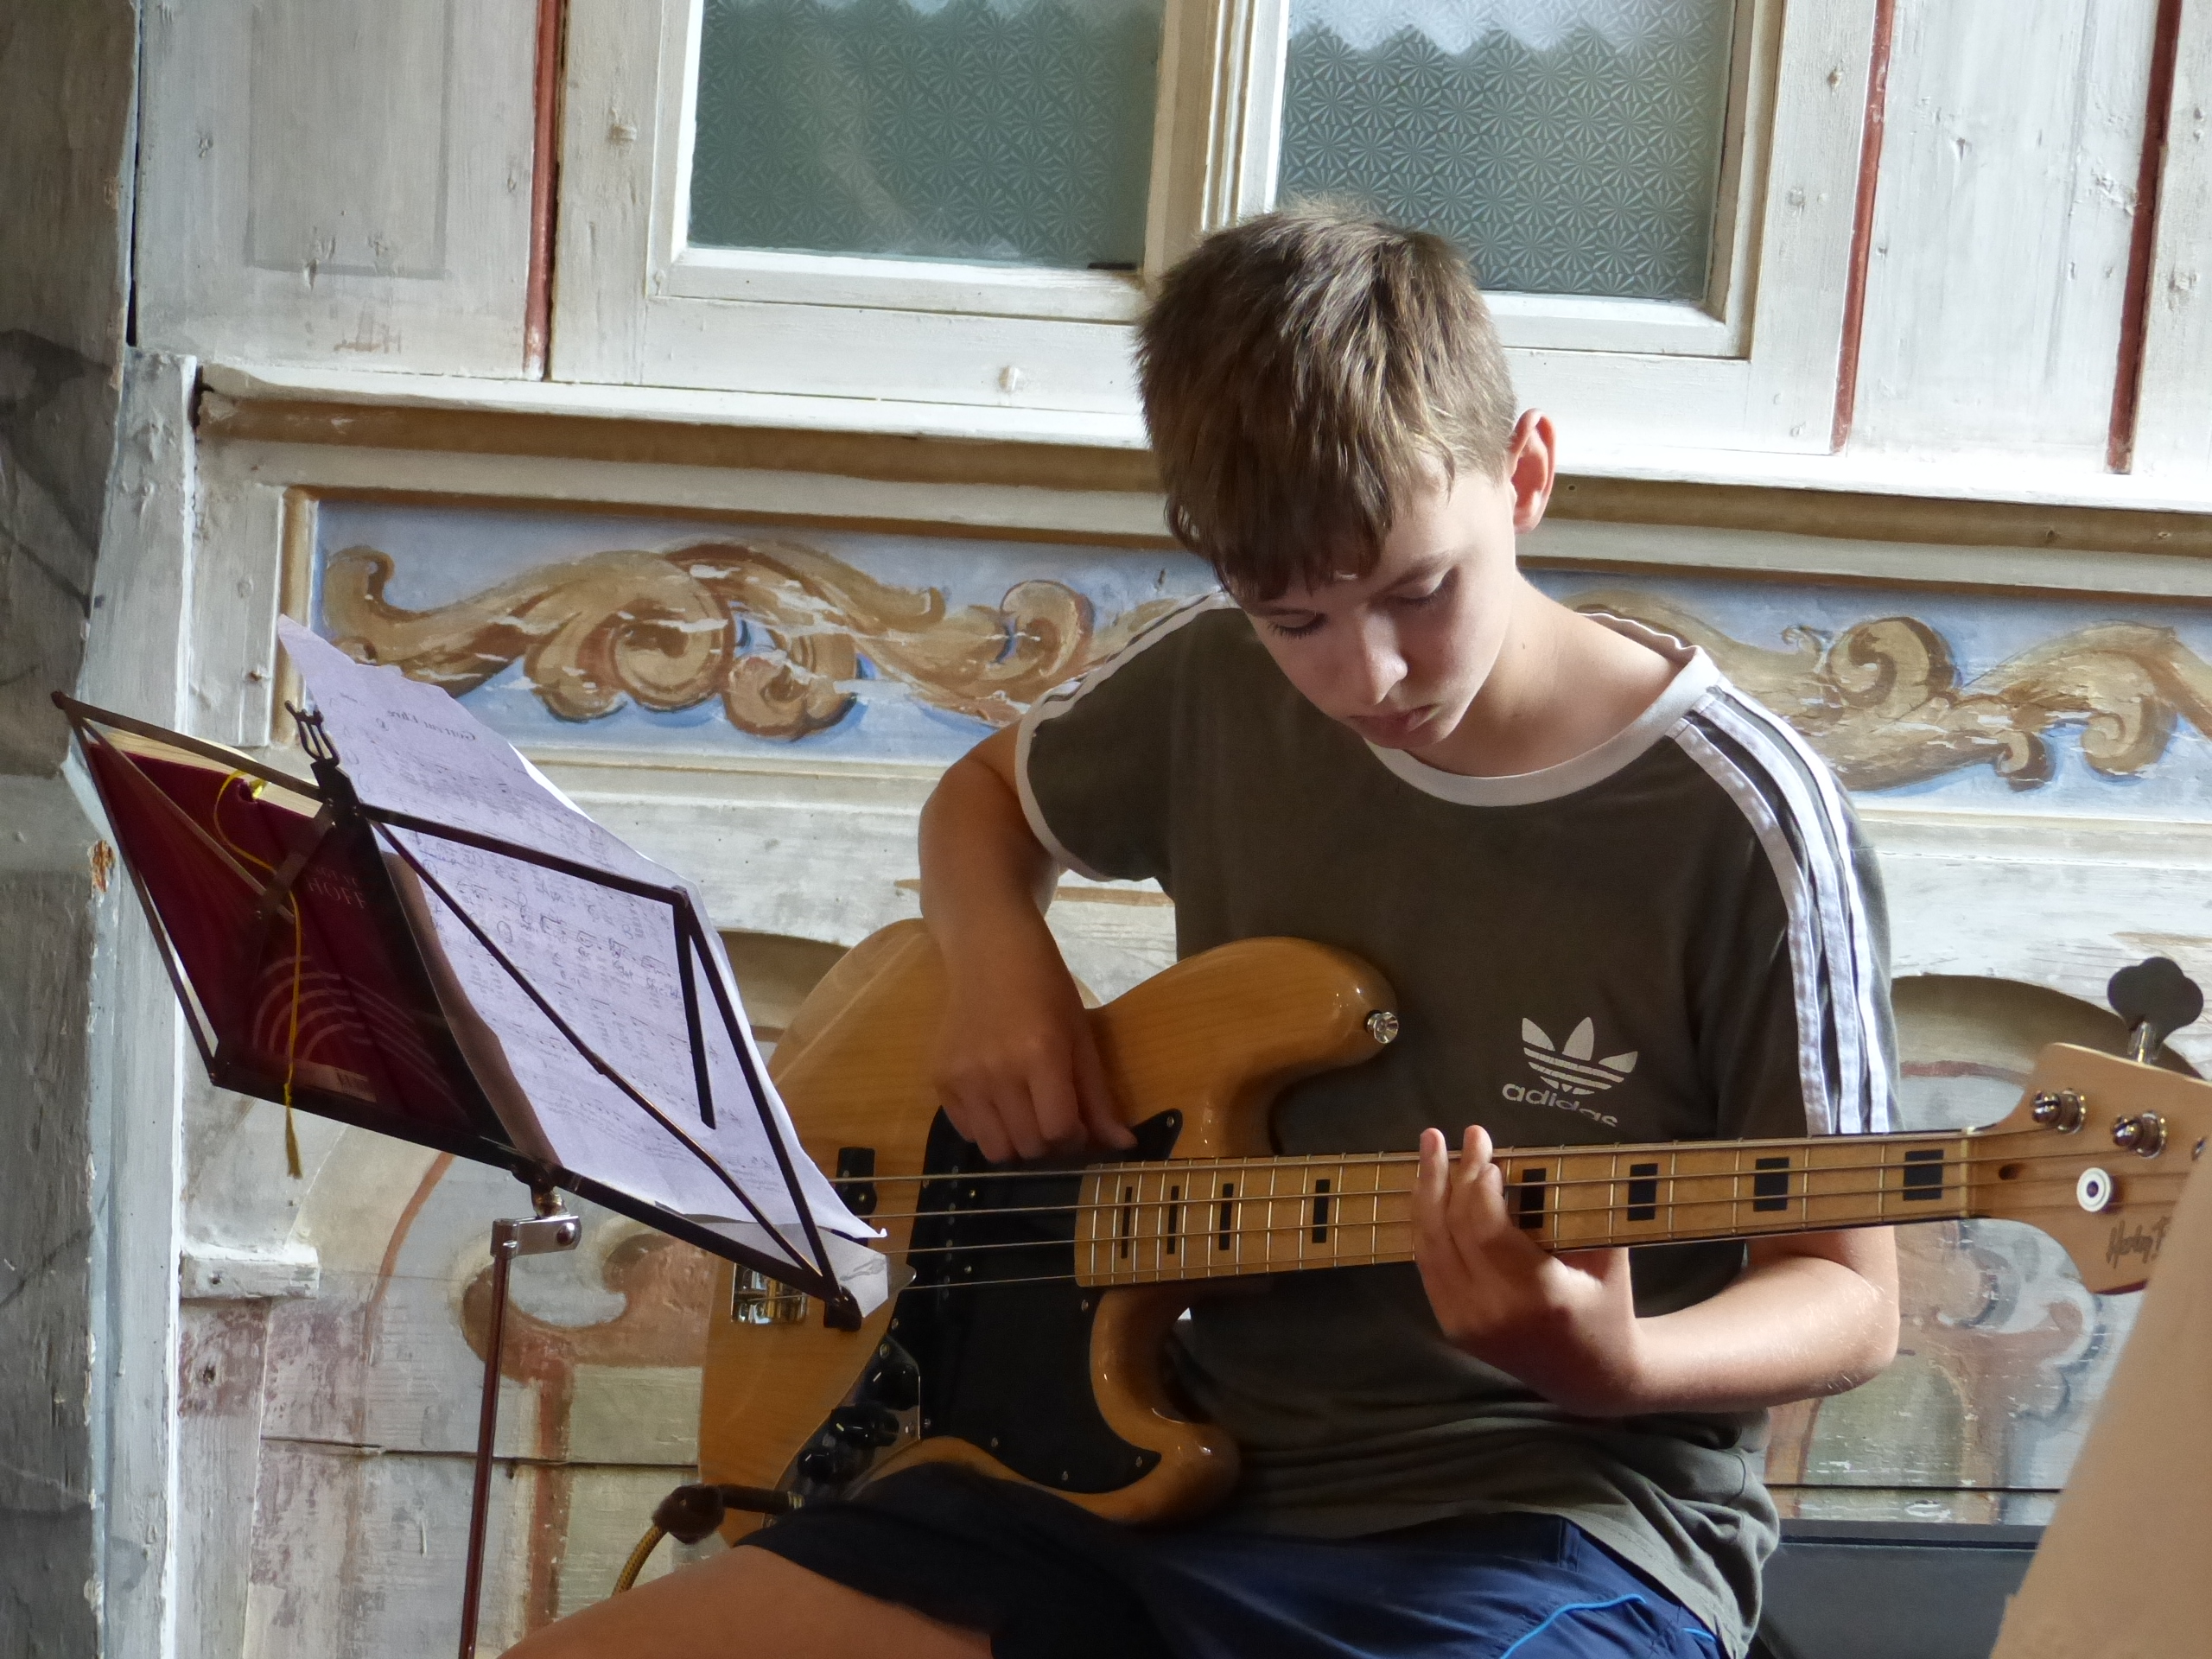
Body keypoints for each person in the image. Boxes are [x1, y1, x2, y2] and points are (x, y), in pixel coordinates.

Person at [509, 206, 1899, 1659]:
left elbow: (1849, 1297)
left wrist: (1615, 1365)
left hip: (1555, 1520)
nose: (1366, 675)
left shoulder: (1747, 822)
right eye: (1295, 619)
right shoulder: (1212, 688)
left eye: (1419, 592)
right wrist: (999, 964)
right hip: (1158, 1477)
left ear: (1526, 473)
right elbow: (984, 803)